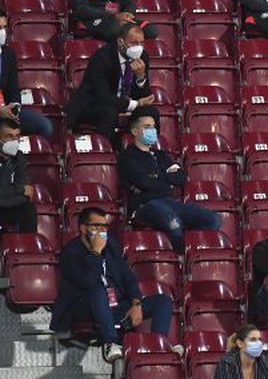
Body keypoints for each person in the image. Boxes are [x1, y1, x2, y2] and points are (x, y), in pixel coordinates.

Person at [50, 207, 177, 363]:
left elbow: (127, 277)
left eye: (104, 227)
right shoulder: (71, 253)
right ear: (83, 228)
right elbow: (89, 283)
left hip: (115, 307)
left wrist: (136, 303)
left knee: (163, 301)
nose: (102, 231)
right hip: (84, 309)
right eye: (97, 226)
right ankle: (111, 342)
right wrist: (96, 252)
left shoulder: (111, 246)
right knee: (98, 290)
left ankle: (157, 345)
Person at [118, 113, 221, 252]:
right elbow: (143, 182)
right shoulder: (127, 156)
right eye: (147, 127)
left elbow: (181, 178)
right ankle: (180, 259)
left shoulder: (161, 155)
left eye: (154, 127)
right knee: (173, 222)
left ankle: (194, 255)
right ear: (135, 131)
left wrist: (156, 178)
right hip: (145, 205)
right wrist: (166, 178)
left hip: (170, 202)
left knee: (213, 219)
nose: (152, 130)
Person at [64, 23, 155, 146]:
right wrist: (134, 104)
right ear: (120, 42)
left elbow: (146, 97)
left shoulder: (142, 57)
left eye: (141, 43)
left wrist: (141, 77)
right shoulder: (102, 58)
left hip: (125, 103)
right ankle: (104, 150)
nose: (138, 47)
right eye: (134, 43)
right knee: (109, 112)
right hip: (93, 104)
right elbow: (102, 96)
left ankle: (150, 152)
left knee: (151, 112)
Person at [0, 9, 54, 139]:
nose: (2, 32)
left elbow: (13, 88)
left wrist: (15, 107)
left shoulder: (8, 54)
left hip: (6, 110)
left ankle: (21, 159)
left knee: (45, 126)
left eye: (4, 27)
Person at [0, 118, 36, 234]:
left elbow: (27, 193)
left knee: (27, 208)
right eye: (9, 136)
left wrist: (8, 195)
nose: (15, 141)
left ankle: (28, 249)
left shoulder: (19, 157)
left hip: (9, 207)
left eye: (17, 136)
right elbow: (24, 189)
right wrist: (20, 189)